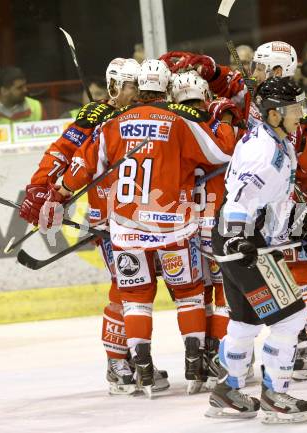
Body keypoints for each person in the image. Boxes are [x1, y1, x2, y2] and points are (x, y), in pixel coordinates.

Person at [43, 59, 233, 397]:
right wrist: (225, 119)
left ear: (138, 87)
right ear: (165, 88)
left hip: (126, 230)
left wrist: (57, 194)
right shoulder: (179, 121)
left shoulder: (113, 124)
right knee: (189, 293)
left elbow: (83, 166)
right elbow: (221, 153)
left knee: (133, 298)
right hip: (171, 228)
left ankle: (142, 371)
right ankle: (194, 369)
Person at [170, 41, 307, 381]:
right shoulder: (252, 96)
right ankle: (251, 359)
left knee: (300, 269)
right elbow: (224, 82)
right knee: (264, 278)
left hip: (296, 201)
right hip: (262, 204)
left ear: (277, 71)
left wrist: (298, 137)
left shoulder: (304, 111)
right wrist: (207, 69)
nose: (253, 73)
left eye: (260, 67)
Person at [18, 57, 170, 395]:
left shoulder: (143, 113)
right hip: (111, 217)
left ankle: (134, 356)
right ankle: (117, 362)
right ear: (115, 85)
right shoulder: (94, 115)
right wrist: (41, 187)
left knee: (141, 288)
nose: (138, 91)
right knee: (125, 286)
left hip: (144, 215)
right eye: (132, 86)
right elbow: (62, 151)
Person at [206, 77, 307, 423]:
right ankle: (275, 394)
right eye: (293, 109)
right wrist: (241, 239)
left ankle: (227, 391)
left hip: (238, 242)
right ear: (272, 115)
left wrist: (300, 223)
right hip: (243, 244)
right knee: (291, 316)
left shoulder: (275, 140)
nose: (301, 114)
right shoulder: (263, 150)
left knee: (245, 320)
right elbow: (240, 198)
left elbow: (274, 197)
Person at [170, 70, 244, 388]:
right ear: (207, 98)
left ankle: (197, 359)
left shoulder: (171, 129)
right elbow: (228, 150)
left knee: (195, 296)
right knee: (223, 294)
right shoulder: (215, 128)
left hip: (186, 224)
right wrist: (226, 118)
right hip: (216, 223)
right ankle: (217, 357)